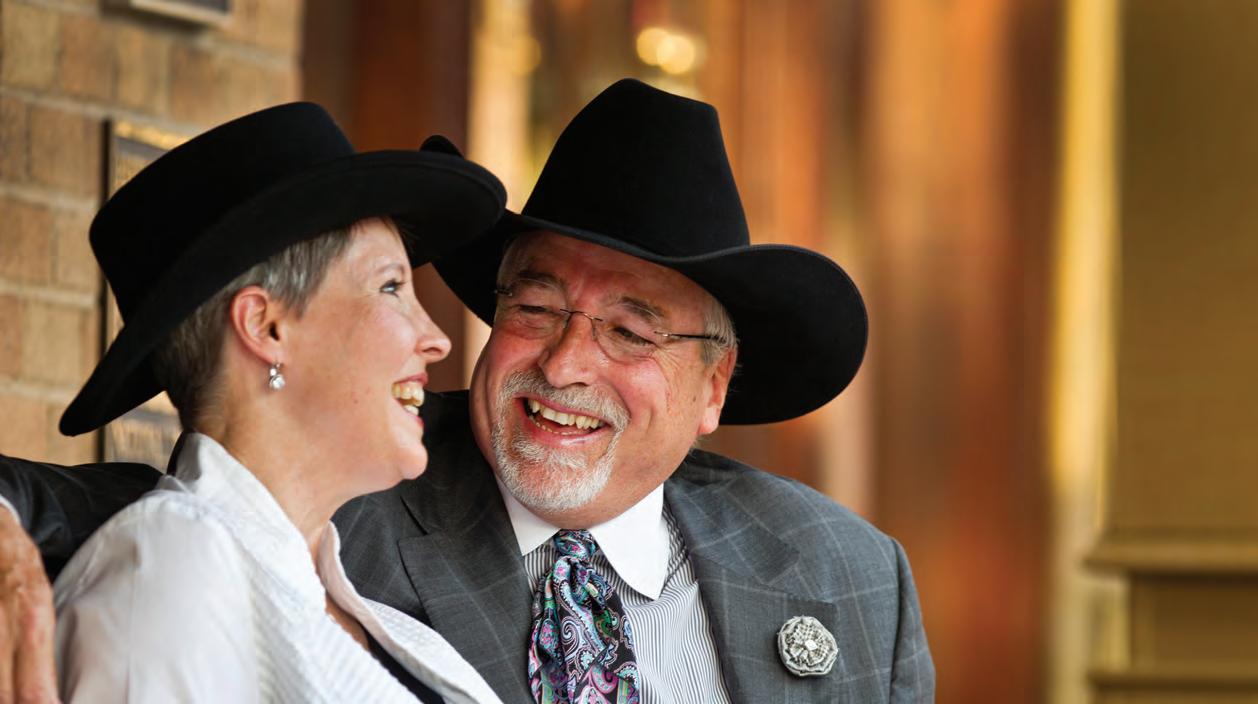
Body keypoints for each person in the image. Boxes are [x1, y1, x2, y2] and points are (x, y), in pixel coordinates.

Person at [0, 79, 934, 703]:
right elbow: (173, 513)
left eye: (629, 332)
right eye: (535, 306)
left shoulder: (849, 576)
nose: (564, 365)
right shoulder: (343, 500)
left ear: (712, 386)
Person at [26, 102, 508, 703]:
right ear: (266, 327)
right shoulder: (167, 568)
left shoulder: (390, 626)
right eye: (391, 287)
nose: (436, 338)